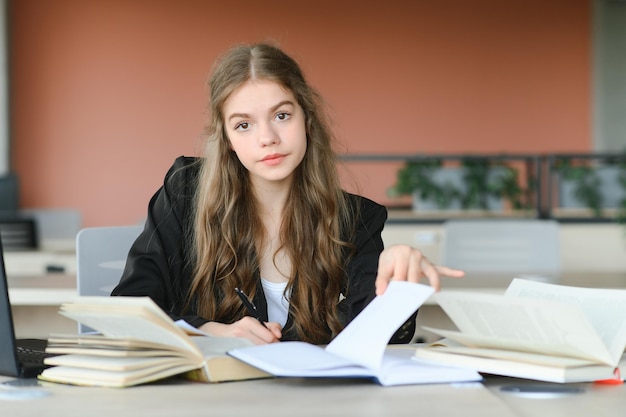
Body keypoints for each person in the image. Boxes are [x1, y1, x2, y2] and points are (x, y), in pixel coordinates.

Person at [111, 42, 464, 345]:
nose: (267, 138)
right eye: (244, 125)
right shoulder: (185, 193)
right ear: (228, 140)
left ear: (306, 119)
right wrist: (208, 332)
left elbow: (375, 334)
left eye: (281, 115)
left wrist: (396, 285)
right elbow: (129, 307)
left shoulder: (356, 219)